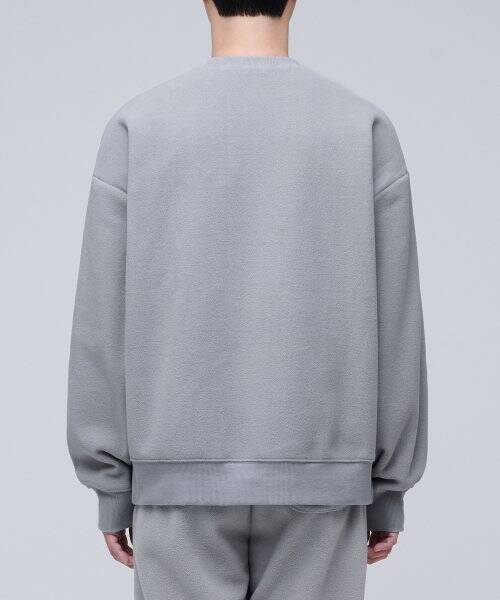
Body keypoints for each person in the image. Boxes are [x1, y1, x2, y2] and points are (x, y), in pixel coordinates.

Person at [67, 1, 428, 598]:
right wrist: (388, 488)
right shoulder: (361, 126)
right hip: (325, 483)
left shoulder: (139, 126)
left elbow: (100, 324)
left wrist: (112, 486)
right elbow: (398, 326)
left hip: (175, 484)